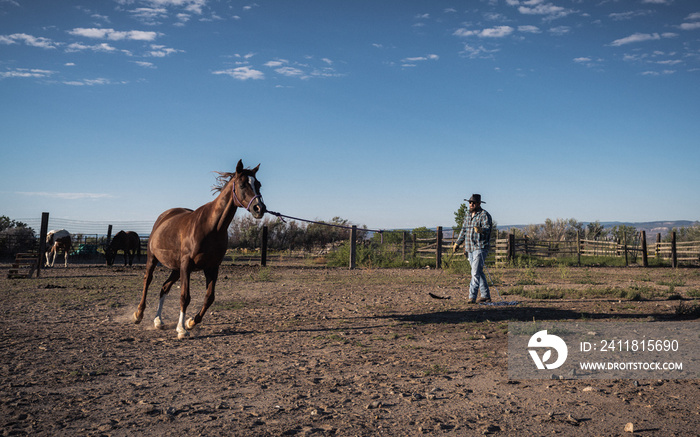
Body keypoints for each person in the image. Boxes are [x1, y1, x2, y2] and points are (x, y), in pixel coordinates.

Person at [453, 194, 493, 304]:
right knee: (478, 272)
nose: (471, 204)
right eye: (470, 202)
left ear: (479, 204)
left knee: (474, 273)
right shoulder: (467, 215)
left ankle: (472, 297)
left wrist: (481, 230)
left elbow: (488, 228)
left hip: (480, 247)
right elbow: (463, 230)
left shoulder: (484, 215)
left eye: (473, 203)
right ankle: (485, 296)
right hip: (469, 247)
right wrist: (457, 243)